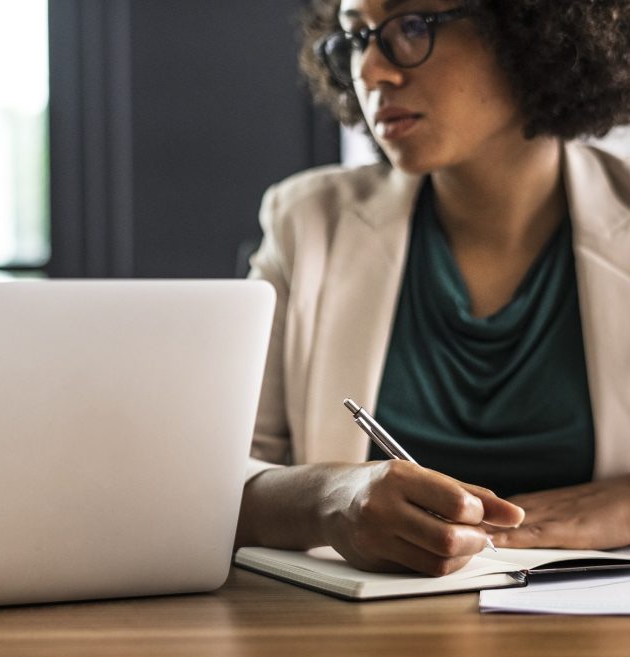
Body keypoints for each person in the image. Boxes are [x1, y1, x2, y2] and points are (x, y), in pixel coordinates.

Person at [235, 0, 630, 576]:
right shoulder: (307, 222)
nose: (371, 70)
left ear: (532, 27)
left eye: (412, 26)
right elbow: (217, 475)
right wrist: (327, 502)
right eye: (357, 37)